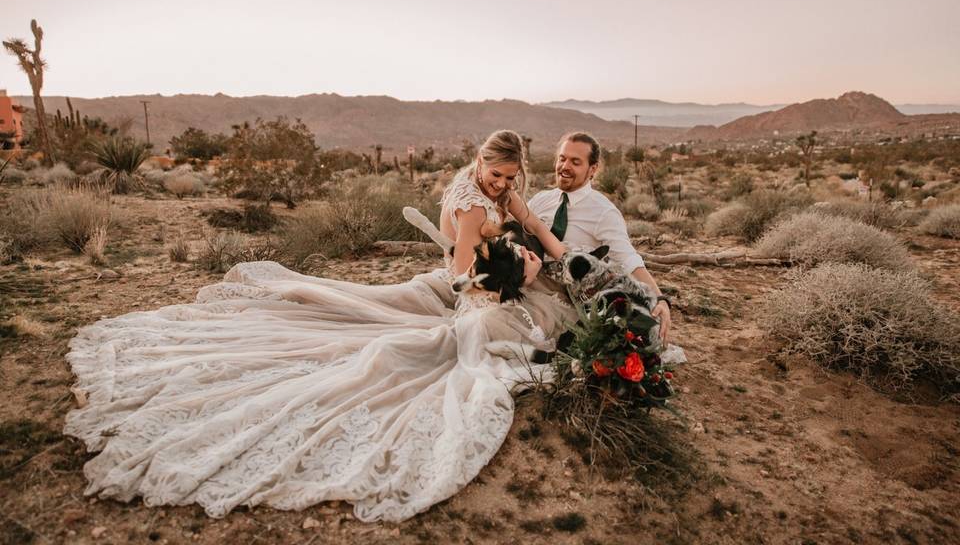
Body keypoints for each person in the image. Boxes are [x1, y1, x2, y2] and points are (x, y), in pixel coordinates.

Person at [64, 129, 574, 523]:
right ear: (480, 163)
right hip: (470, 292)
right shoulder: (470, 208)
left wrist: (563, 256)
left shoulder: (498, 193)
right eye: (498, 176)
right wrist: (519, 274)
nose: (504, 186)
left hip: (476, 277)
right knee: (417, 351)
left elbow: (530, 223)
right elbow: (464, 278)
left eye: (511, 178)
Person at [528, 132, 672, 342]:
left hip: (565, 299)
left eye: (575, 162)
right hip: (528, 281)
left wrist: (659, 298)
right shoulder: (540, 201)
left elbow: (629, 259)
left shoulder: (604, 212)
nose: (565, 166)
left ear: (592, 169)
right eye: (562, 158)